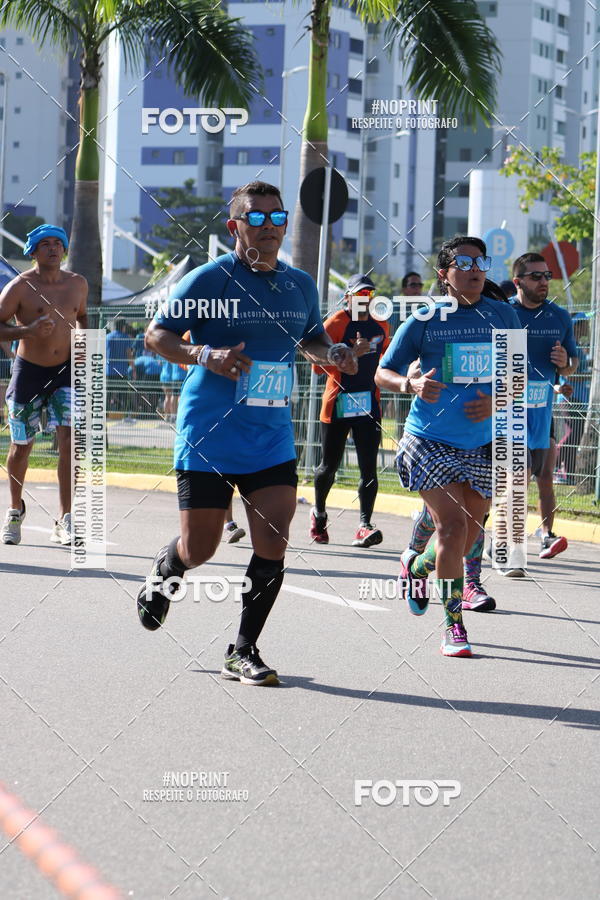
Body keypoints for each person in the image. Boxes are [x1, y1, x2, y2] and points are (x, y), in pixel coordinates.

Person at [137, 180, 357, 685]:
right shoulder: (208, 280)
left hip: (270, 435)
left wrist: (334, 356)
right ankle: (169, 566)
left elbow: (312, 339)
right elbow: (157, 335)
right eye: (256, 217)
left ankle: (243, 649)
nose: (269, 226)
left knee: (274, 541)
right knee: (202, 548)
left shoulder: (299, 283)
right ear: (235, 226)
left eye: (277, 217)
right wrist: (203, 354)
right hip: (209, 434)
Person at [376, 235, 522, 657]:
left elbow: (518, 378)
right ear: (444, 274)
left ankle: (417, 566)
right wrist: (411, 383)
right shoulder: (424, 319)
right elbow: (383, 373)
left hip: (481, 442)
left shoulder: (503, 315)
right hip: (429, 439)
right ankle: (453, 626)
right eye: (464, 262)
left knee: (467, 537)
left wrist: (497, 400)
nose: (476, 269)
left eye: (481, 262)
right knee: (451, 529)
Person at [0, 224, 88, 545]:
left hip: (65, 373)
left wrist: (83, 352)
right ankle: (14, 511)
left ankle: (65, 518)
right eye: (45, 244)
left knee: (69, 440)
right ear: (33, 252)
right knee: (21, 446)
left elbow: (83, 318)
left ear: (64, 250)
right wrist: (28, 331)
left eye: (58, 244)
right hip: (29, 372)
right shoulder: (20, 287)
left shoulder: (78, 284)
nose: (53, 249)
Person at [506, 253, 577, 569]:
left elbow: (573, 364)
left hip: (543, 409)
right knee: (515, 478)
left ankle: (546, 534)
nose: (544, 282)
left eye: (547, 275)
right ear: (519, 281)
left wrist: (566, 364)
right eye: (536, 277)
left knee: (545, 476)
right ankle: (508, 544)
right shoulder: (503, 312)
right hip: (507, 410)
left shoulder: (559, 317)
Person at [310, 273, 390, 547]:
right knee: (328, 466)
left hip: (370, 404)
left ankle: (364, 525)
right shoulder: (335, 323)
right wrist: (352, 354)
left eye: (369, 295)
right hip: (337, 405)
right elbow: (316, 366)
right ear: (348, 297)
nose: (364, 300)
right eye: (359, 295)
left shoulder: (381, 326)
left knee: (369, 469)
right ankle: (319, 514)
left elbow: (386, 362)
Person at [106, 317, 133, 411]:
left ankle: (106, 411)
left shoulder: (108, 337)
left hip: (109, 370)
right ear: (124, 326)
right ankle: (123, 411)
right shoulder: (126, 338)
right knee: (123, 392)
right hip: (122, 370)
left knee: (108, 392)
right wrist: (133, 368)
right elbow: (129, 354)